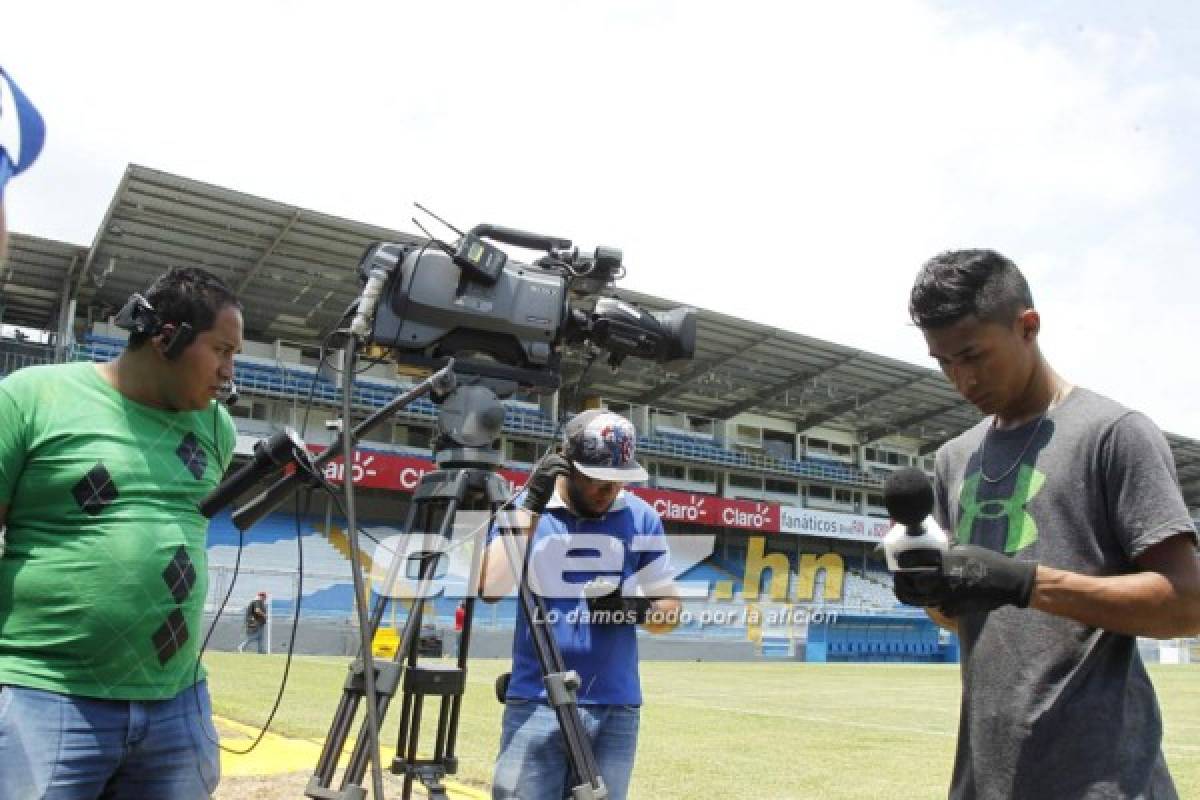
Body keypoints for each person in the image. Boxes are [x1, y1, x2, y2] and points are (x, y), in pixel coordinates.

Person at [897, 249, 1200, 799]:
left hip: (1104, 781)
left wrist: (1026, 582)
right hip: (985, 779)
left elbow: (1188, 604)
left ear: (1028, 326)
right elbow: (960, 621)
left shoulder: (1115, 433)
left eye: (973, 355)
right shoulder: (953, 458)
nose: (961, 380)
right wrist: (932, 595)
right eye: (943, 362)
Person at [0, 262, 242, 799]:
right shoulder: (30, 398)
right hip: (45, 695)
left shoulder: (216, 428)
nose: (229, 370)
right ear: (167, 337)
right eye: (222, 350)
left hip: (178, 706)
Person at [480, 409, 682, 800]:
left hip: (615, 707)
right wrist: (531, 507)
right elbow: (490, 586)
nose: (608, 492)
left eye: (617, 481)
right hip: (536, 702)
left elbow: (670, 609)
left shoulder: (642, 517)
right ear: (565, 464)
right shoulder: (526, 510)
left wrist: (633, 609)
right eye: (596, 480)